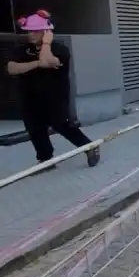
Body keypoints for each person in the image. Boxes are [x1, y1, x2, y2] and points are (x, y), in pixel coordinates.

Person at [5, 10, 100, 169]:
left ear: (47, 32)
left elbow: (47, 61)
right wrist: (35, 64)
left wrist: (47, 44)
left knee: (62, 125)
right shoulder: (21, 50)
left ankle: (89, 147)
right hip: (29, 97)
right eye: (29, 31)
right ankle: (45, 160)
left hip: (55, 97)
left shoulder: (60, 49)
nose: (31, 35)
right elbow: (12, 68)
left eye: (36, 31)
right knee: (35, 129)